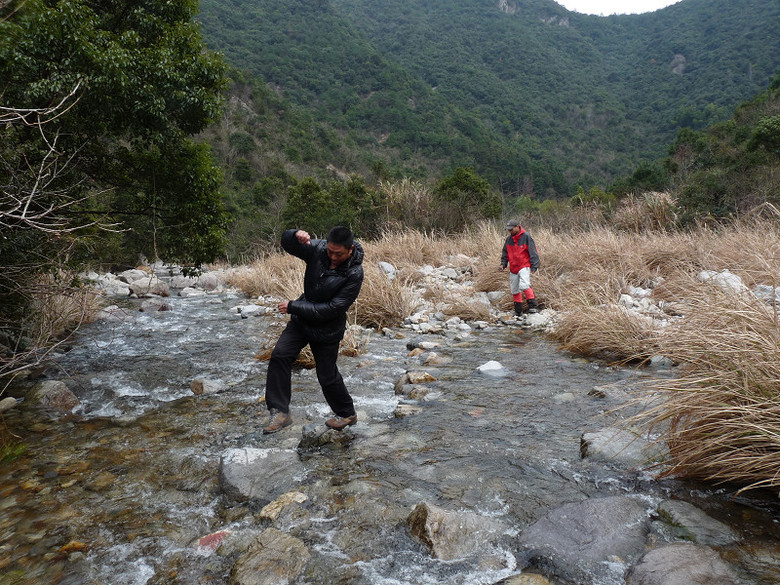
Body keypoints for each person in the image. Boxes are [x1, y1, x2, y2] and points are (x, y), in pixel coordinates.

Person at [262, 226, 364, 434]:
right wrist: (294, 234)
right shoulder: (318, 249)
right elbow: (288, 245)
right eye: (330, 252)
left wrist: (293, 306)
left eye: (339, 254)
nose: (333, 257)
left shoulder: (355, 273)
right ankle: (280, 412)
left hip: (327, 328)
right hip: (301, 322)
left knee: (326, 375)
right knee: (280, 355)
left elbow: (333, 308)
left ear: (350, 249)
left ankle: (347, 413)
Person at [499, 219, 540, 316]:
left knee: (524, 285)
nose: (510, 231)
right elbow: (505, 253)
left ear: (518, 227)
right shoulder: (508, 240)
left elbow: (533, 251)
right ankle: (518, 311)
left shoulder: (526, 237)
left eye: (511, 229)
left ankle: (533, 307)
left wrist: (535, 266)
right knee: (514, 289)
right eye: (509, 230)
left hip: (524, 265)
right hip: (513, 267)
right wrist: (503, 264)